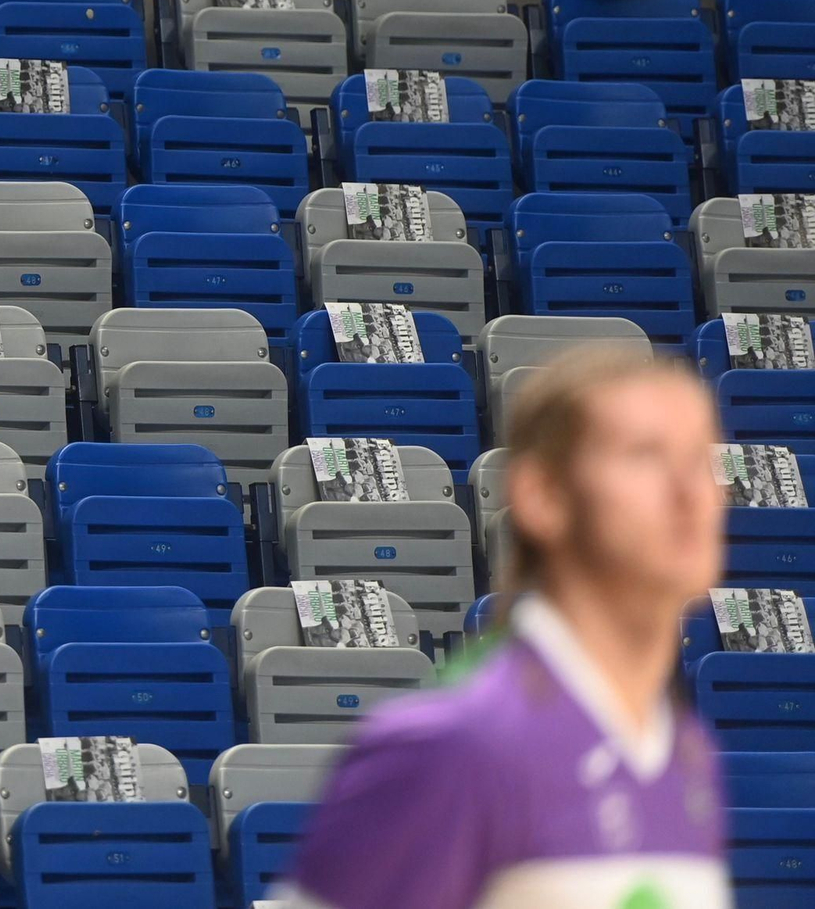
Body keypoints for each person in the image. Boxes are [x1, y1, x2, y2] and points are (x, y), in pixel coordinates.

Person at [282, 349, 731, 909]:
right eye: (646, 455)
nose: (692, 495)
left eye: (702, 460)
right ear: (543, 495)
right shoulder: (452, 745)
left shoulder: (687, 751)